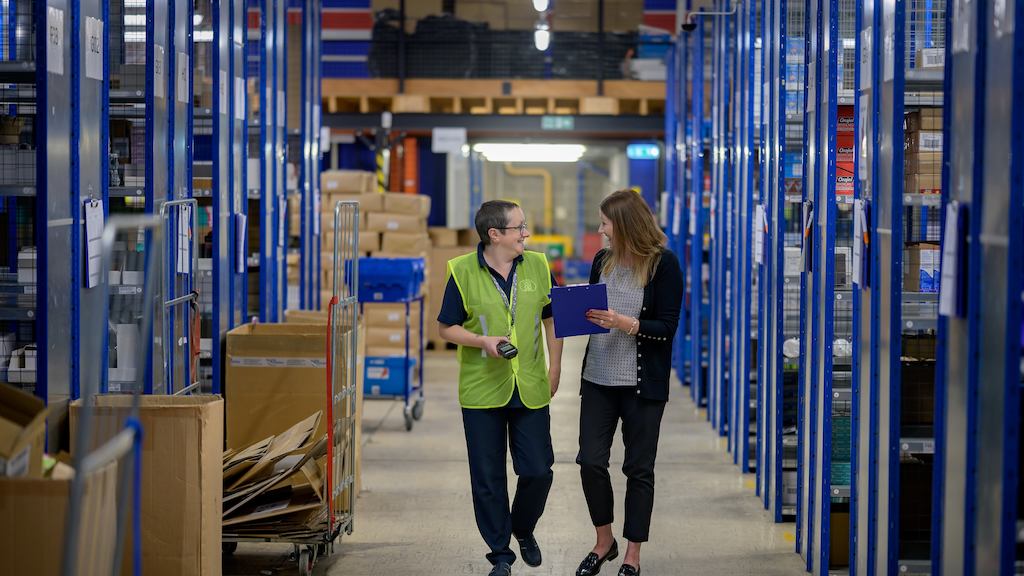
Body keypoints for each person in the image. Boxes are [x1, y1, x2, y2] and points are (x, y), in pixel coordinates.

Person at [437, 200, 564, 576]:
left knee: (539, 469)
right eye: (519, 228)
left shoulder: (538, 265)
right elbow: (446, 327)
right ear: (495, 235)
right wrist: (482, 341)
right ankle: (500, 555)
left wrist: (555, 365)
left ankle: (522, 528)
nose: (526, 233)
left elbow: (551, 316)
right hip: (482, 390)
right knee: (488, 478)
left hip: (529, 385)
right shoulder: (461, 271)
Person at [574, 190, 683, 576]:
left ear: (624, 225)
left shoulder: (663, 265)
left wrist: (625, 323)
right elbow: (591, 313)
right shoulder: (602, 260)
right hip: (598, 378)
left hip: (642, 385)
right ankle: (604, 541)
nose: (600, 230)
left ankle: (633, 554)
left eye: (605, 223)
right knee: (590, 460)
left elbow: (667, 328)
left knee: (638, 468)